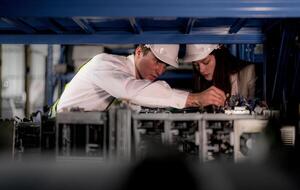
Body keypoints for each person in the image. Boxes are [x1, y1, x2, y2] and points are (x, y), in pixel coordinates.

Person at [56, 44, 226, 113]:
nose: (160, 70)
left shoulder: (131, 77)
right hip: (58, 135)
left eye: (165, 66)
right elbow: (130, 90)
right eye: (157, 61)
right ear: (139, 52)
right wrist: (194, 99)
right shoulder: (104, 63)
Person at [184, 44, 256, 100]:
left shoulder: (248, 72)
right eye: (196, 64)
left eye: (206, 62)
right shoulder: (199, 80)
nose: (201, 70)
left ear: (219, 56)